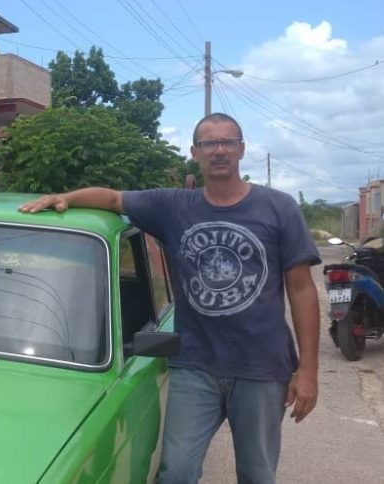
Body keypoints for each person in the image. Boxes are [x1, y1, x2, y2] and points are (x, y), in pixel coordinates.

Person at [19, 113, 320, 484]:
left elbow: (302, 289)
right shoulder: (173, 206)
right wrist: (64, 198)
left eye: (228, 142)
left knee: (257, 474)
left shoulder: (279, 208)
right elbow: (113, 198)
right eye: (209, 144)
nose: (220, 150)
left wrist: (308, 370)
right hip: (195, 366)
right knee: (175, 471)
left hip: (262, 368)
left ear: (242, 149)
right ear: (195, 152)